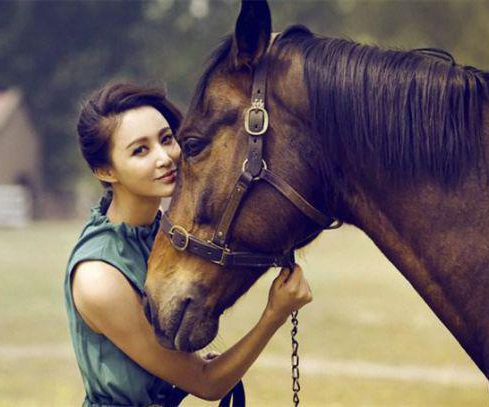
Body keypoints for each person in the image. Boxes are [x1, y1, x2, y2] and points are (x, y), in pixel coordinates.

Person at [64, 83, 313, 406]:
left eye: (167, 139)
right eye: (140, 150)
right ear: (105, 170)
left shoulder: (159, 235)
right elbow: (208, 384)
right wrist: (274, 314)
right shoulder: (99, 277)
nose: (165, 157)